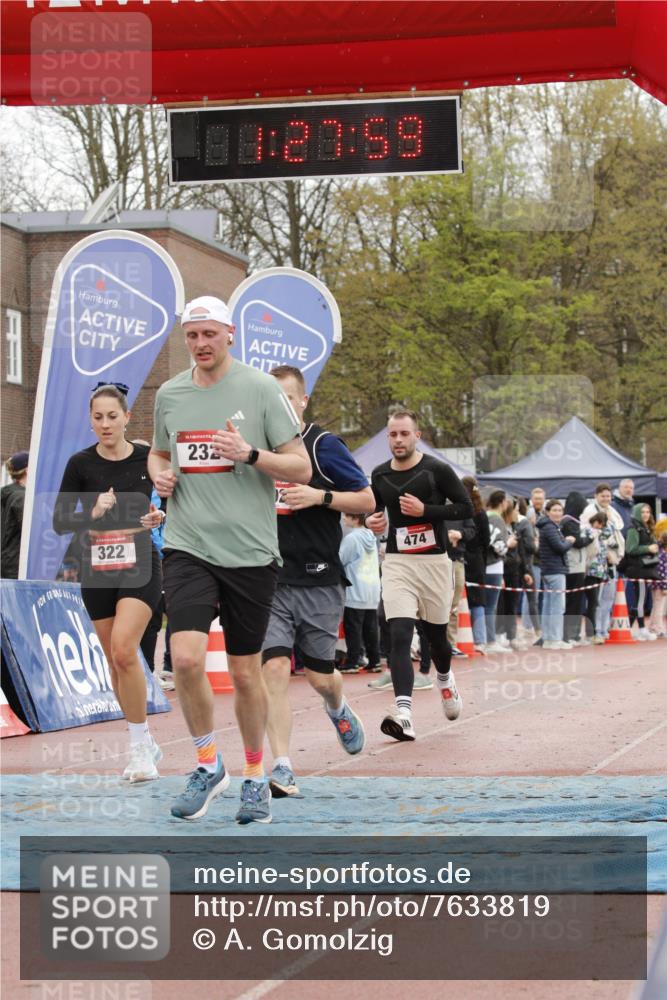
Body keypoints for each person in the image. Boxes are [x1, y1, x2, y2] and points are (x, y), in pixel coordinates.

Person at [148, 295, 311, 824]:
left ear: (230, 334)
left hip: (250, 553)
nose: (200, 345)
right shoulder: (170, 394)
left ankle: (255, 774)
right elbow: (158, 451)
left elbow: (301, 468)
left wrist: (250, 455)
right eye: (192, 336)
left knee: (245, 675)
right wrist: (158, 473)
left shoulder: (261, 389)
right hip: (188, 545)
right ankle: (204, 762)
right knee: (188, 658)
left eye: (209, 335)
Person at [261, 365, 374, 799]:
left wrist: (319, 497)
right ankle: (283, 766)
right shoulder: (256, 450)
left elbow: (366, 499)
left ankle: (337, 706)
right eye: (273, 399)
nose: (281, 407)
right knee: (272, 669)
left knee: (319, 675)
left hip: (319, 579)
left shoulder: (324, 446)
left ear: (303, 401)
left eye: (288, 398)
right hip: (269, 579)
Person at [53, 384, 165, 781]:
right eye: (98, 417)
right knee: (115, 663)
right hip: (97, 566)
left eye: (112, 416)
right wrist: (93, 510)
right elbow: (60, 521)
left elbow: (171, 497)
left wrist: (159, 516)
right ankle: (144, 739)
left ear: (127, 417)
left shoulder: (146, 456)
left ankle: (139, 752)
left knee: (123, 650)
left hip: (140, 562)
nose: (105, 424)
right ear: (91, 420)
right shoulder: (80, 464)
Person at [366, 410, 473, 741]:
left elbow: (466, 508)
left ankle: (443, 678)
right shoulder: (379, 474)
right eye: (393, 434)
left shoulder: (436, 470)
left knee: (436, 637)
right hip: (398, 563)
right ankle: (405, 715)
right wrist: (373, 521)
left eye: (404, 434)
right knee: (399, 632)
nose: (398, 440)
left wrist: (427, 512)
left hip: (435, 563)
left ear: (417, 435)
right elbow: (375, 511)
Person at [581, 484, 626, 641]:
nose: (606, 499)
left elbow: (616, 533)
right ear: (596, 496)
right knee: (596, 599)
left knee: (609, 596)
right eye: (603, 496)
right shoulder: (589, 511)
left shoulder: (613, 512)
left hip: (611, 562)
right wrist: (605, 551)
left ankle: (604, 627)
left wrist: (614, 553)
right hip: (596, 563)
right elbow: (589, 534)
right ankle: (596, 630)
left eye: (608, 496)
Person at [339, 513, 382, 675]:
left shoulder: (351, 538)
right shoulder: (370, 536)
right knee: (370, 628)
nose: (343, 518)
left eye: (346, 516)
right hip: (371, 589)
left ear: (355, 519)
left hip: (354, 589)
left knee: (353, 628)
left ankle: (352, 661)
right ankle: (374, 660)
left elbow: (340, 559)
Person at [537, 499, 577, 649]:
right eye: (554, 510)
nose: (558, 513)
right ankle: (554, 639)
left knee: (548, 605)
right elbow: (560, 548)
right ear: (548, 512)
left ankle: (548, 638)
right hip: (554, 570)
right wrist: (569, 541)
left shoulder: (549, 526)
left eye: (560, 510)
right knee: (557, 606)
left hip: (549, 570)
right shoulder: (550, 528)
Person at [560, 492, 595, 645]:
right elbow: (578, 542)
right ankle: (569, 634)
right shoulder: (568, 522)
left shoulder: (572, 521)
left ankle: (573, 633)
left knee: (575, 601)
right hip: (572, 566)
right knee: (572, 601)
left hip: (577, 565)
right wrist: (591, 538)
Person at [461, 476, 490, 653]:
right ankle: (480, 639)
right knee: (478, 600)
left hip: (462, 556)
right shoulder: (480, 513)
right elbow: (486, 540)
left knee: (462, 599)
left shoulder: (460, 510)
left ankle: (470, 638)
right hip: (477, 559)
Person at [484, 490, 515, 654]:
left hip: (483, 566)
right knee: (490, 606)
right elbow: (497, 545)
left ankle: (484, 639)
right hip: (493, 565)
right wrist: (508, 544)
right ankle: (490, 640)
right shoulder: (497, 519)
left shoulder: (484, 515)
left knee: (482, 606)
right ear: (503, 502)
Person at [624, 503, 659, 641]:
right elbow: (630, 549)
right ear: (637, 512)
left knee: (641, 600)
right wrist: (648, 549)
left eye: (648, 512)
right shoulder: (634, 528)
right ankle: (642, 629)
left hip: (645, 568)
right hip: (637, 569)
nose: (646, 514)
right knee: (640, 600)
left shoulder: (646, 528)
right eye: (643, 512)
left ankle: (627, 628)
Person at [582, 511, 611, 643]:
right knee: (592, 602)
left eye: (601, 523)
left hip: (600, 572)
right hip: (589, 571)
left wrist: (607, 519)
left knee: (594, 603)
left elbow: (608, 532)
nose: (599, 526)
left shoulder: (603, 534)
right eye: (598, 522)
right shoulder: (587, 531)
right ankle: (591, 633)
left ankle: (593, 632)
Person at [1, 450, 29, 579]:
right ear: (28, 469)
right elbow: (28, 531)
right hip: (15, 566)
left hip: (6, 562)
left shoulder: (6, 493)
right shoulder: (21, 497)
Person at [647, 531, 667, 637]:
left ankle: (652, 627)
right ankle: (658, 629)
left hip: (654, 583)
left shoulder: (657, 551)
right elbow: (663, 572)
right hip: (660, 585)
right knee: (659, 607)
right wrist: (665, 587)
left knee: (655, 606)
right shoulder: (663, 554)